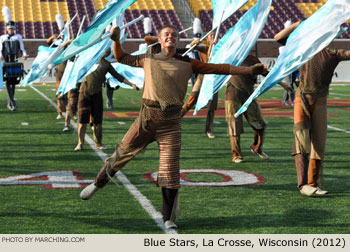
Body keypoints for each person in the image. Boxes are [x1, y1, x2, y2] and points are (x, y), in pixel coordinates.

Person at [80, 25, 266, 229]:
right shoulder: (147, 58)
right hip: (146, 118)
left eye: (174, 35)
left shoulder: (187, 62)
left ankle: (169, 218)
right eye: (166, 34)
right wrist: (115, 40)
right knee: (121, 153)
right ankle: (97, 183)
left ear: (177, 40)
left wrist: (248, 70)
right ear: (160, 40)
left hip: (171, 122)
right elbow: (122, 57)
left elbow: (220, 68)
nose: (171, 36)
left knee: (169, 171)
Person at [275, 22, 350, 196]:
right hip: (302, 99)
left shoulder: (333, 54)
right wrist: (298, 24)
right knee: (301, 139)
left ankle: (312, 183)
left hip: (321, 101)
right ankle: (303, 185)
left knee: (319, 143)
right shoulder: (303, 49)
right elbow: (278, 38)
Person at [74, 48, 139, 151]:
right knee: (82, 121)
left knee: (97, 122)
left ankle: (98, 143)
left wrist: (131, 84)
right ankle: (80, 143)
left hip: (97, 93)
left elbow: (118, 76)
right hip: (84, 93)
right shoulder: (88, 60)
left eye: (106, 51)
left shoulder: (106, 64)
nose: (104, 52)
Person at [0, 7, 28, 111]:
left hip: (15, 61)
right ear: (6, 29)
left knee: (14, 80)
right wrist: (0, 55)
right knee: (7, 80)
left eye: (12, 28)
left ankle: (10, 103)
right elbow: (0, 49)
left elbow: (22, 48)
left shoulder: (18, 36)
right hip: (6, 61)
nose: (11, 30)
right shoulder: (2, 37)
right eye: (9, 28)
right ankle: (12, 103)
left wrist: (25, 55)